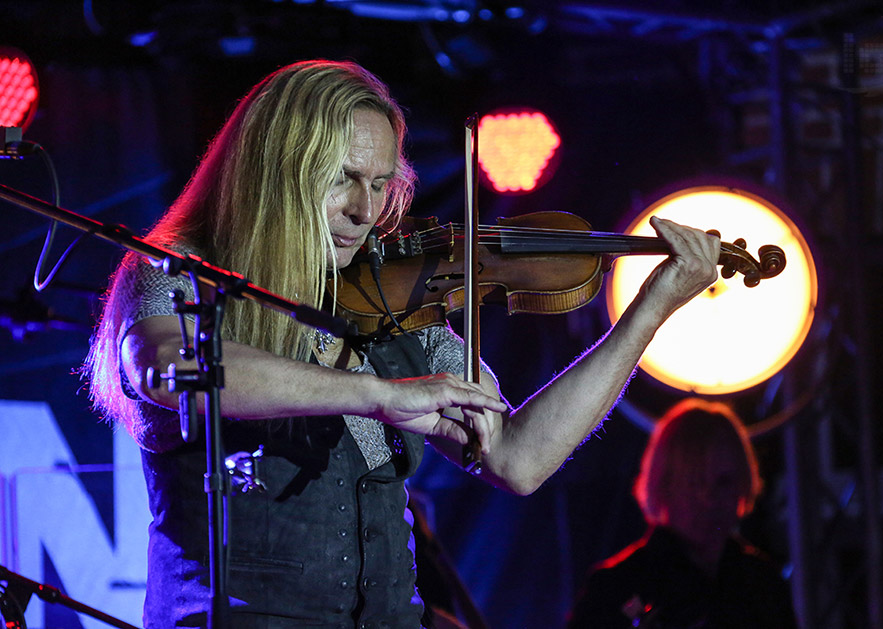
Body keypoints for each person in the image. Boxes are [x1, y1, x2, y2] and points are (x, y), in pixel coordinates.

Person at [83, 60, 721, 628]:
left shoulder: (393, 306)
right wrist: (376, 396)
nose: (366, 211)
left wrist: (646, 315)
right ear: (277, 171)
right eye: (343, 179)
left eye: (382, 183)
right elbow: (169, 368)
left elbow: (518, 459)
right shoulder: (182, 273)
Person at [567, 398, 797, 629]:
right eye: (695, 481)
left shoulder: (763, 584)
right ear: (663, 485)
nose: (709, 498)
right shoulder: (615, 587)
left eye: (724, 482)